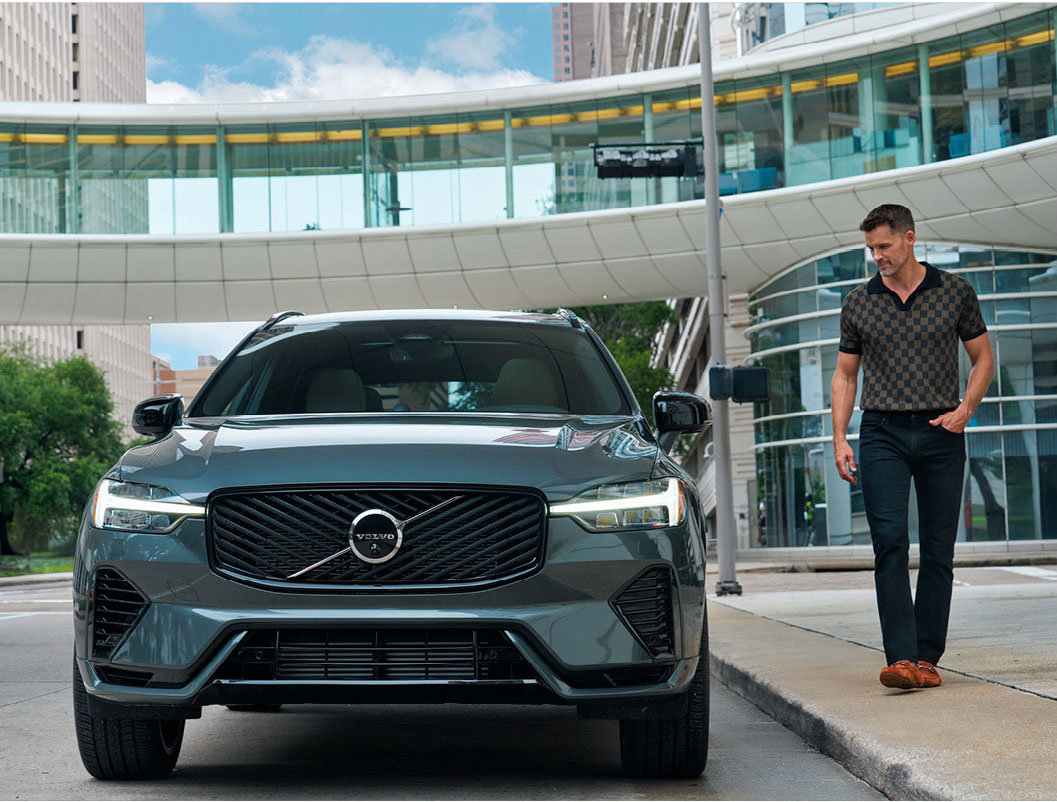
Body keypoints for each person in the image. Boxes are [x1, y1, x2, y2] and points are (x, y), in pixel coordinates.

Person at [831, 204, 993, 690]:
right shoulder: (858, 303)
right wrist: (839, 436)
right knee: (890, 544)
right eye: (870, 249)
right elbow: (845, 374)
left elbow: (983, 359)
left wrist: (966, 410)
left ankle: (927, 659)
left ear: (909, 238)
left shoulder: (955, 292)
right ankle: (901, 658)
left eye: (883, 246)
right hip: (882, 431)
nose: (876, 256)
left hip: (942, 430)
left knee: (939, 547)